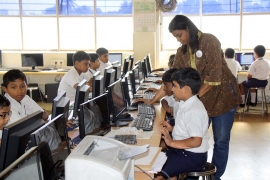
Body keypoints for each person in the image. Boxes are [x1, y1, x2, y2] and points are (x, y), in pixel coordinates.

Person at [168, 15, 242, 180]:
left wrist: (191, 98)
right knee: (195, 138)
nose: (179, 40)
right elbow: (173, 76)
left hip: (222, 98)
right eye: (175, 37)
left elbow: (214, 76)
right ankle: (193, 170)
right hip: (201, 101)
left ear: (188, 28)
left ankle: (216, 176)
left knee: (221, 141)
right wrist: (160, 98)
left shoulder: (209, 41)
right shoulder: (182, 51)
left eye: (180, 35)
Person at [155, 68, 210, 180]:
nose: (173, 90)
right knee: (154, 161)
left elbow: (196, 141)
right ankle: (172, 175)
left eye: (174, 86)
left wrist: (170, 142)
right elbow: (186, 130)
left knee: (155, 174)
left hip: (191, 157)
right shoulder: (185, 104)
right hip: (183, 152)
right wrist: (172, 129)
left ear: (186, 89)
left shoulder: (193, 111)